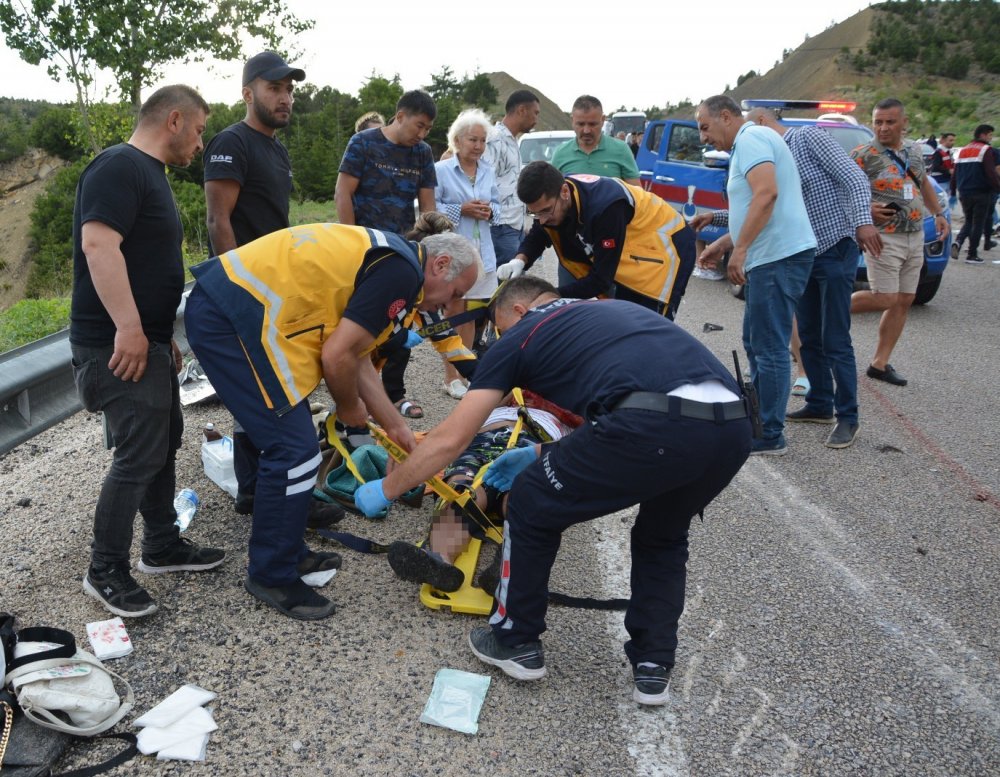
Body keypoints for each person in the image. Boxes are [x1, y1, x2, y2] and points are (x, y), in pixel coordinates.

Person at [355, 276, 752, 706]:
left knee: (529, 501)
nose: (503, 340)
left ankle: (515, 640)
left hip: (648, 426)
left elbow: (451, 440)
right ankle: (653, 666)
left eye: (501, 328)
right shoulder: (610, 313)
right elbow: (624, 404)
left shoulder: (525, 335)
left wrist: (387, 489)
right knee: (663, 538)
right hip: (732, 426)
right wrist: (542, 453)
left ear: (520, 312)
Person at [184, 223, 482, 620]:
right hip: (232, 318)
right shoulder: (401, 272)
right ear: (441, 264)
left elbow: (356, 354)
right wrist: (347, 409)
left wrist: (396, 427)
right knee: (294, 452)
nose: (449, 306)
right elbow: (338, 357)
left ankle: (286, 549)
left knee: (292, 445)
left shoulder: (399, 264)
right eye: (455, 293)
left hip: (239, 313)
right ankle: (270, 573)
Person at [70, 85, 223, 618]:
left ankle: (161, 545)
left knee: (162, 440)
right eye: (200, 130)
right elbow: (99, 245)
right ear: (175, 120)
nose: (201, 144)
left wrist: (160, 339)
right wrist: (130, 330)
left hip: (145, 339)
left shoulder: (148, 174)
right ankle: (105, 568)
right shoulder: (119, 166)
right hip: (113, 340)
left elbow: (144, 260)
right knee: (137, 453)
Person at [202, 51, 308, 517]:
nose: (285, 98)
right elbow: (217, 219)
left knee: (271, 389)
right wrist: (235, 291)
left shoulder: (276, 147)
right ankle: (255, 489)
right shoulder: (232, 142)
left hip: (276, 286)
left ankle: (264, 487)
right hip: (244, 291)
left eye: (289, 90)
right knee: (257, 388)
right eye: (274, 89)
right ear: (248, 93)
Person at [743, 107, 883, 449]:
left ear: (761, 123)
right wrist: (715, 221)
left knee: (835, 337)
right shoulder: (772, 160)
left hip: (836, 247)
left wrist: (863, 221)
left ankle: (848, 416)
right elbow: (766, 208)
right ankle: (820, 403)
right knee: (807, 335)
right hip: (804, 255)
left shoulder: (807, 138)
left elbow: (853, 178)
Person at [694, 95, 816, 456]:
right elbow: (756, 206)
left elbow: (767, 195)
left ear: (727, 116)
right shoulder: (755, 140)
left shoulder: (750, 140)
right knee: (758, 341)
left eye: (705, 127)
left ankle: (769, 433)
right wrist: (725, 242)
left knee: (770, 348)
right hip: (774, 256)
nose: (703, 138)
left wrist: (742, 249)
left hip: (777, 257)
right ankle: (759, 420)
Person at [386, 395, 574, 592]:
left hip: (537, 445)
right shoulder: (512, 382)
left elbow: (588, 440)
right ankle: (439, 561)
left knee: (523, 495)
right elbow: (474, 407)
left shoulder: (579, 394)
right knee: (462, 492)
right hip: (484, 438)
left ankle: (508, 568)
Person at [335, 90, 438, 420]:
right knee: (357, 326)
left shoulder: (422, 153)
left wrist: (429, 245)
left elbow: (428, 205)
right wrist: (350, 241)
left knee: (399, 323)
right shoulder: (363, 143)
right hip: (363, 249)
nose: (421, 134)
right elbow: (343, 192)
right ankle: (352, 399)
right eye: (418, 126)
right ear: (401, 116)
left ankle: (394, 395)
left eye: (427, 130)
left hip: (402, 249)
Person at [498, 161, 696, 320]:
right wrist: (520, 260)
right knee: (625, 318)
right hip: (634, 245)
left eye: (545, 211)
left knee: (651, 323)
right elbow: (539, 234)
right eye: (534, 214)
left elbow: (600, 280)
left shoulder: (605, 209)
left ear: (564, 192)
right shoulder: (557, 197)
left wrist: (547, 297)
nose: (542, 220)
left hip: (668, 245)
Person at [849, 99, 949, 386]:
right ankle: (823, 312)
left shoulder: (913, 151)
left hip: (914, 234)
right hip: (883, 237)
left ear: (904, 123)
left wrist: (939, 214)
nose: (882, 128)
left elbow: (923, 184)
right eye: (878, 121)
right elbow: (841, 191)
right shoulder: (862, 154)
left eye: (889, 122)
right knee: (885, 297)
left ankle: (879, 364)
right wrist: (866, 209)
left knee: (904, 299)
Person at [434, 109, 501, 400]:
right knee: (453, 313)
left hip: (483, 253)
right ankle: (450, 377)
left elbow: (499, 206)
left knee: (472, 316)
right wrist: (459, 209)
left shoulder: (487, 170)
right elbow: (427, 208)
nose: (478, 146)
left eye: (483, 141)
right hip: (454, 253)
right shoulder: (441, 170)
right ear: (457, 140)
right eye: (473, 139)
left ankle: (464, 372)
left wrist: (490, 212)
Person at [483, 90, 540, 268]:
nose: (536, 119)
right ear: (522, 110)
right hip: (500, 226)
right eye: (535, 113)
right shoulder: (495, 140)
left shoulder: (512, 140)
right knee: (506, 285)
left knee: (514, 279)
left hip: (513, 226)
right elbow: (484, 183)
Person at [552, 96, 641, 186]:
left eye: (592, 124)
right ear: (572, 120)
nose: (586, 130)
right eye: (581, 124)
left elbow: (636, 194)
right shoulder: (560, 153)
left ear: (602, 120)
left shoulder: (621, 150)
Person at [953, 124, 999, 264]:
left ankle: (958, 242)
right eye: (990, 135)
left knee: (969, 221)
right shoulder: (986, 150)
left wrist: (952, 189)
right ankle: (972, 254)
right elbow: (991, 172)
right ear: (983, 135)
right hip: (981, 192)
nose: (990, 138)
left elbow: (955, 172)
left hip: (964, 192)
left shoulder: (963, 150)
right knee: (978, 223)